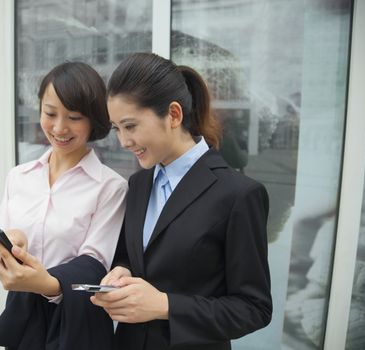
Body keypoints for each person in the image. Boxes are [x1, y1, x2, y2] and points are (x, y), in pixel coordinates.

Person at [91, 53, 272, 350]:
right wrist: (121, 271)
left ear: (173, 115)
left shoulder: (238, 195)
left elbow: (254, 309)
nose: (123, 141)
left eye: (131, 126)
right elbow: (130, 256)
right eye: (117, 129)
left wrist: (165, 305)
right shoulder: (138, 184)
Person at [0, 62, 127, 350]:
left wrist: (46, 284)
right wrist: (11, 244)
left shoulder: (110, 186)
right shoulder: (18, 176)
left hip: (79, 320)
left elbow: (95, 264)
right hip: (23, 316)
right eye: (50, 113)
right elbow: (2, 238)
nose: (59, 128)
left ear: (94, 120)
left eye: (74, 117)